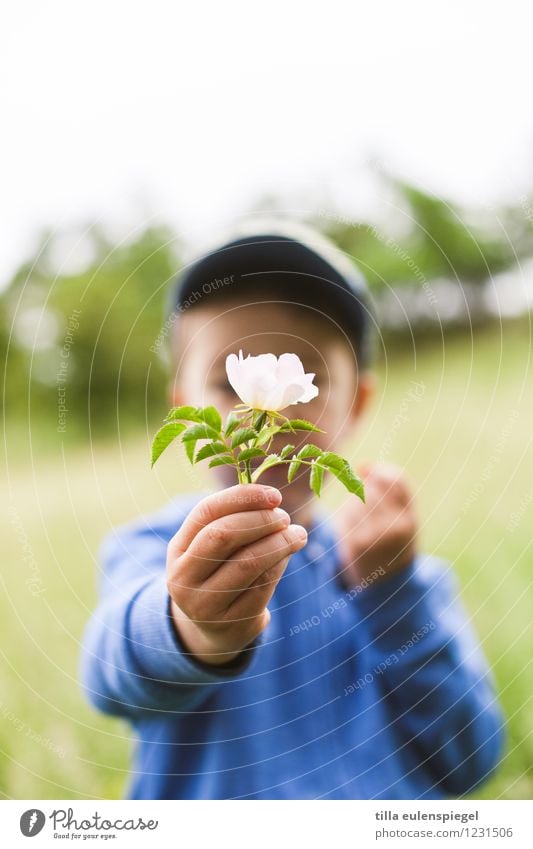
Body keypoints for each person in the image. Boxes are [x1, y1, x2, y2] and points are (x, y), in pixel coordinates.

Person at [80, 221, 504, 799]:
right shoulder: (155, 550)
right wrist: (192, 626)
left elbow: (470, 758)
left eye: (311, 377)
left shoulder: (403, 575)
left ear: (357, 403)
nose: (269, 424)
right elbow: (110, 678)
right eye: (227, 385)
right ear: (183, 402)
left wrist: (392, 591)